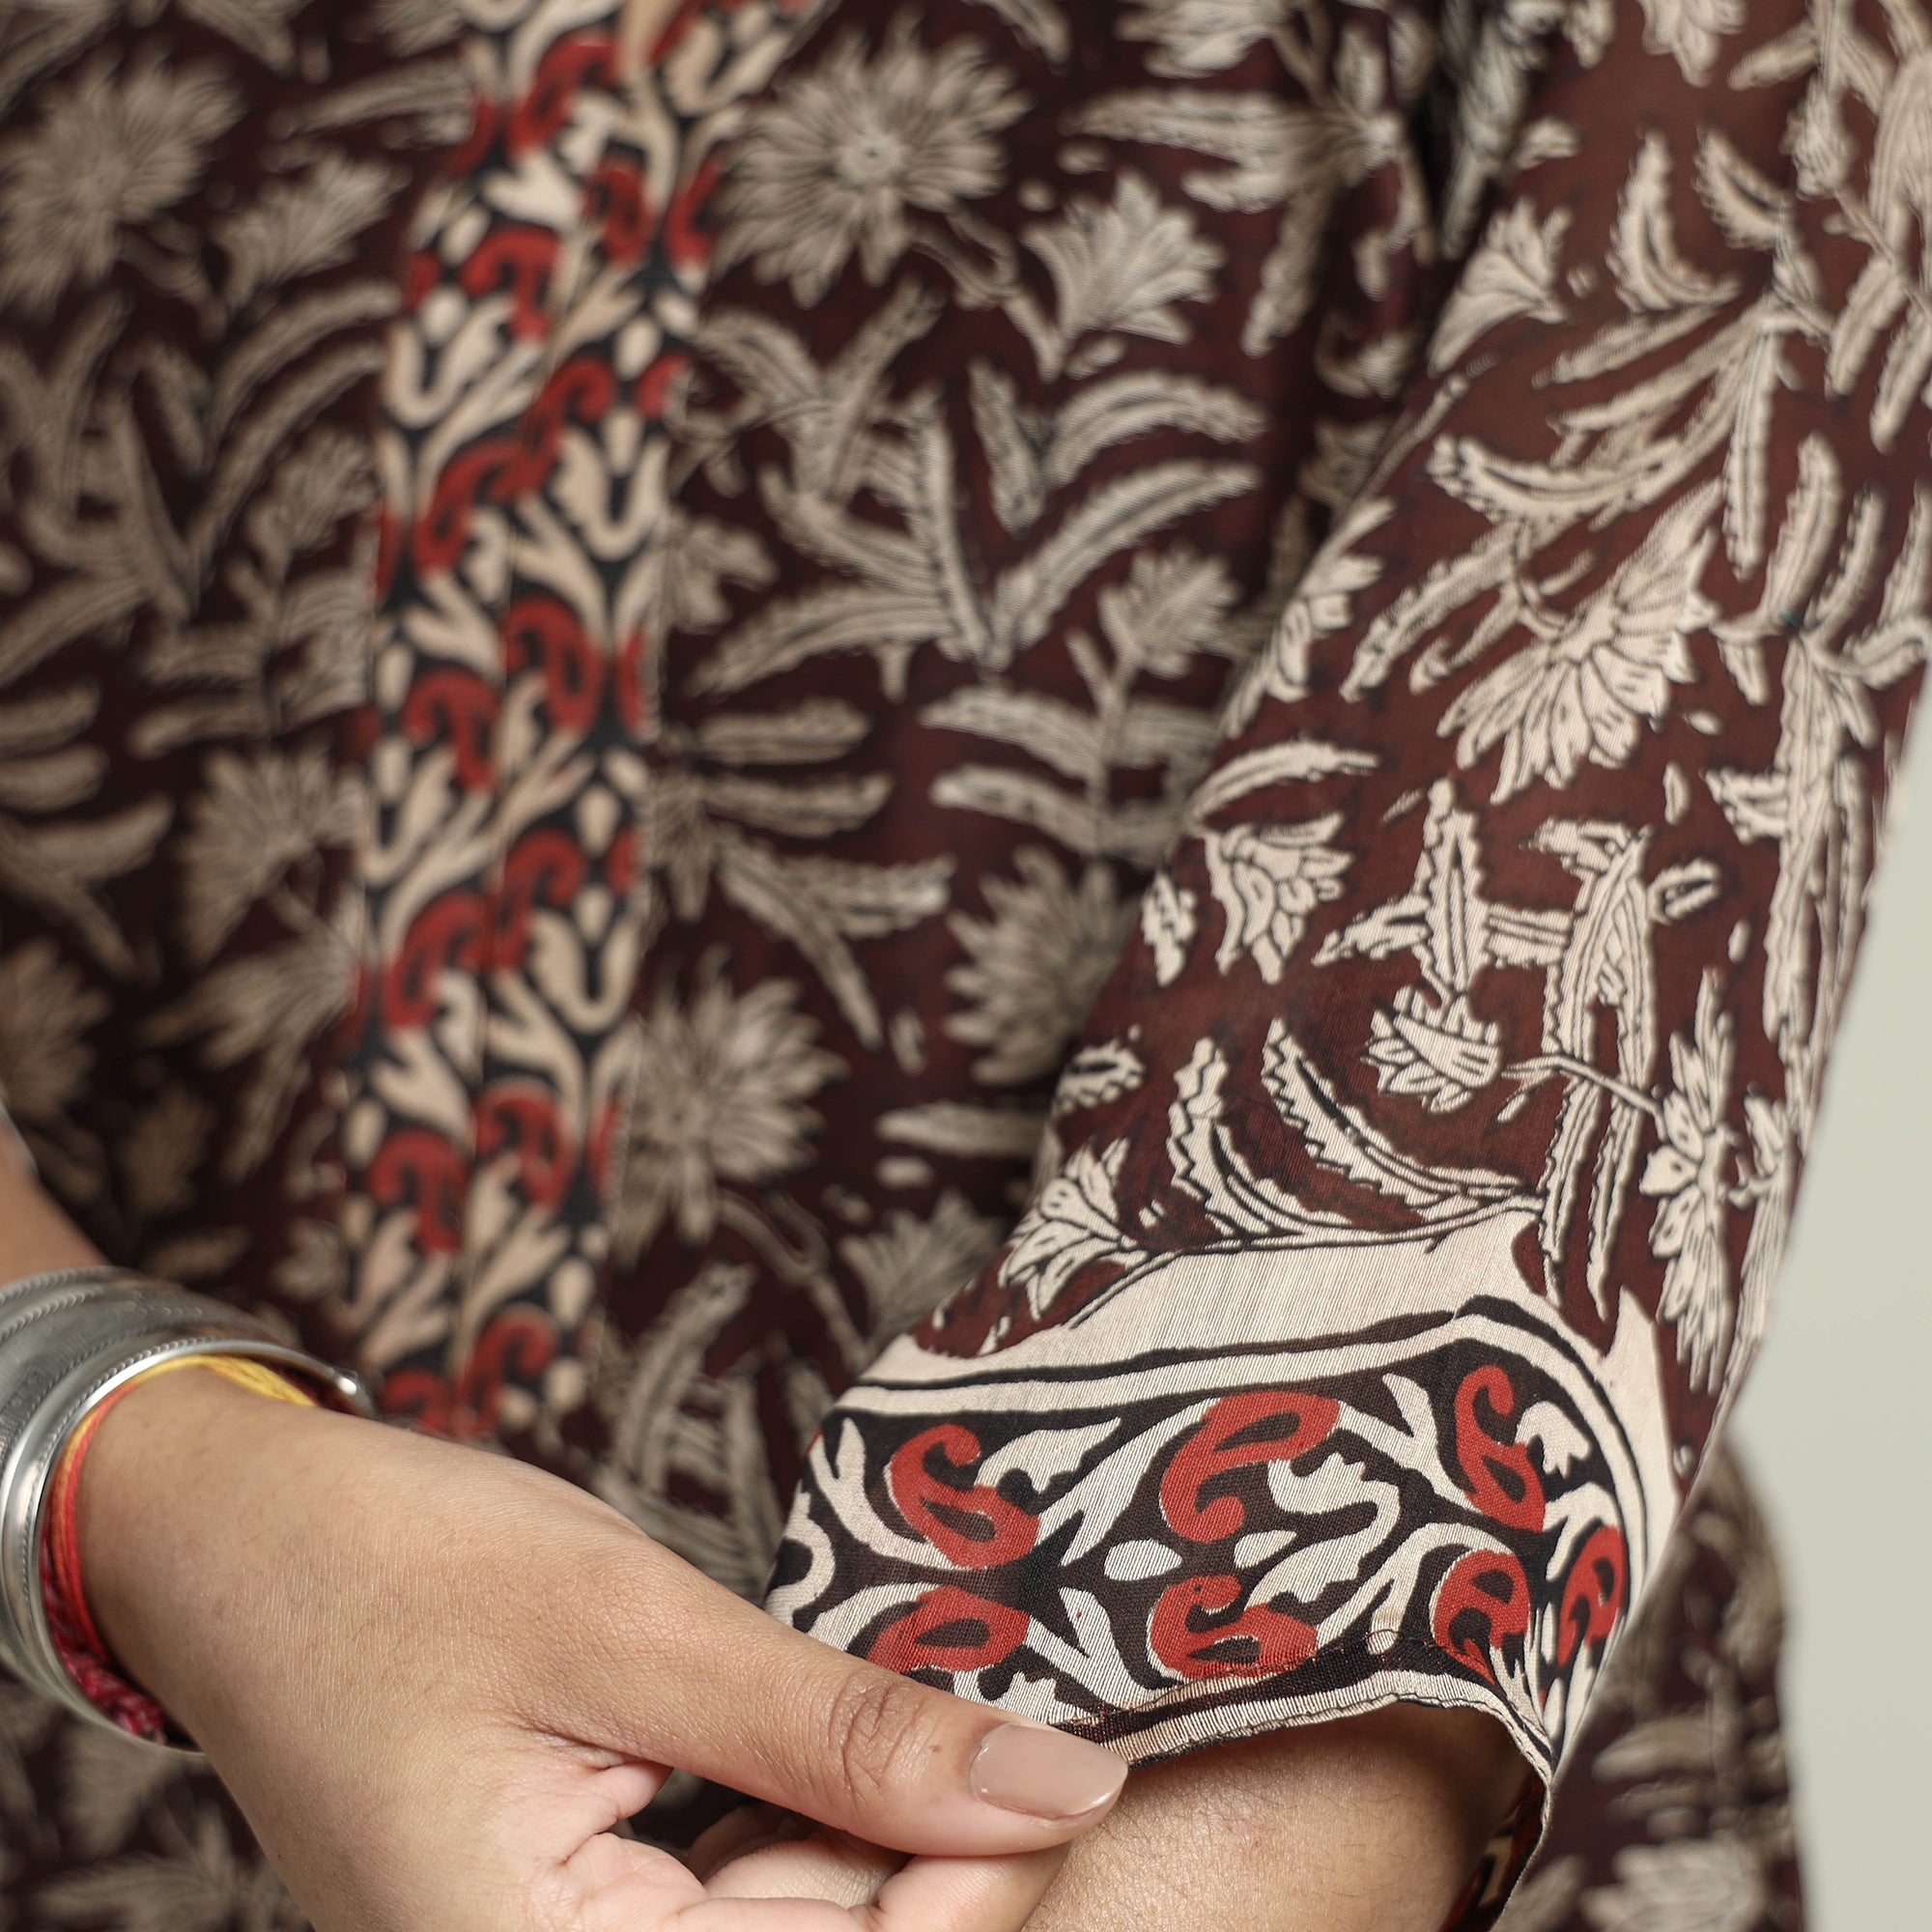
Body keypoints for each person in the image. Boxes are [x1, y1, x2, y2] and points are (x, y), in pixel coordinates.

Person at [0, 0, 1917, 1925]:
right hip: (107, 1778)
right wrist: (119, 1465)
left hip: (1221, 1827)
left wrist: (1233, 1824)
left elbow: (1627, 666)